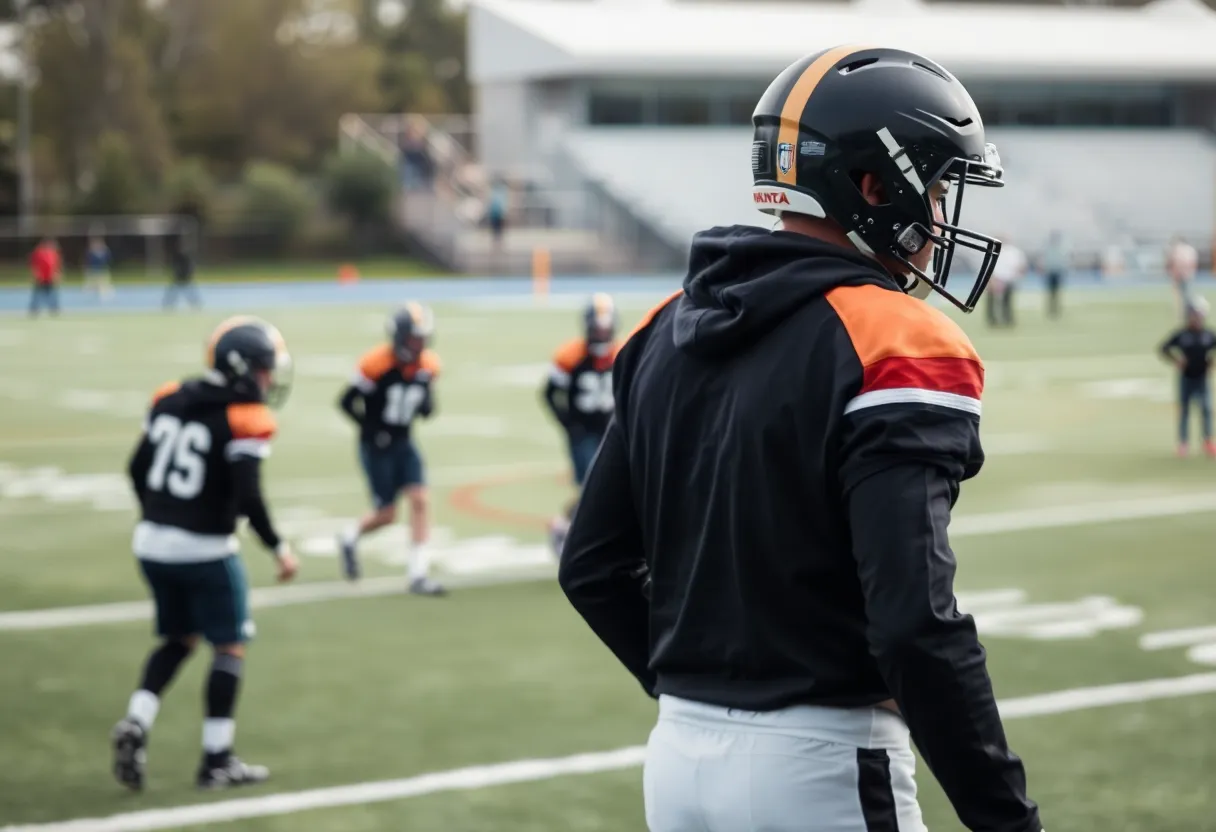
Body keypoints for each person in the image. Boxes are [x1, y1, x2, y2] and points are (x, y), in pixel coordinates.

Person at [558, 45, 1041, 832]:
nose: (946, 216)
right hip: (822, 762)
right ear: (875, 186)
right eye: (941, 186)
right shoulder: (891, 334)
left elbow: (591, 567)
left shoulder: (662, 325)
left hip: (677, 759)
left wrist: (708, 684)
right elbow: (914, 623)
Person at [112, 316, 299, 791]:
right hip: (204, 549)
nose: (268, 379)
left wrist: (160, 513)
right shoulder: (244, 418)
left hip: (151, 542)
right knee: (229, 646)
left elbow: (137, 468)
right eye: (262, 369)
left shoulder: (171, 396)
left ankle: (137, 719)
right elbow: (250, 498)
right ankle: (217, 759)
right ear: (240, 367)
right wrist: (278, 547)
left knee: (179, 639)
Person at [336, 302, 446, 596]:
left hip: (404, 441)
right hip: (376, 446)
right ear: (398, 336)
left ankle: (418, 574)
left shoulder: (428, 366)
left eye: (422, 338)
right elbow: (346, 402)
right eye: (413, 337)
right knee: (386, 514)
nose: (418, 344)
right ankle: (349, 537)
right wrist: (371, 430)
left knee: (421, 500)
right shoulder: (375, 363)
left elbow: (427, 406)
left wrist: (425, 402)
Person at [540, 293, 619, 558]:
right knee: (590, 488)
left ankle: (571, 530)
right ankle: (565, 529)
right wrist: (568, 424)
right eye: (597, 327)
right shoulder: (570, 355)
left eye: (605, 327)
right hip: (582, 432)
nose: (601, 332)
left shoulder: (620, 352)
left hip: (609, 431)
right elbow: (549, 393)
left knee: (609, 488)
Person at [1160, 296, 1216, 458]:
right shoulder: (1182, 335)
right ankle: (1183, 443)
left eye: (1198, 315)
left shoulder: (1208, 335)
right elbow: (1163, 348)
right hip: (1186, 378)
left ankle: (1208, 441)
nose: (1195, 318)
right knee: (1184, 411)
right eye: (1193, 315)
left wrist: (1212, 361)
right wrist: (1176, 360)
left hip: (1202, 378)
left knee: (1206, 409)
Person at [987, 235, 1027, 327]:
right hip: (997, 278)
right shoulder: (995, 250)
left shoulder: (1014, 252)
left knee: (1007, 301)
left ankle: (1007, 319)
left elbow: (1021, 266)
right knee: (992, 301)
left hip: (1008, 279)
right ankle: (993, 320)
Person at [28, 237, 62, 317]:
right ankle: (34, 309)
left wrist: (57, 274)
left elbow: (56, 266)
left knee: (53, 294)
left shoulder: (54, 254)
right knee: (37, 294)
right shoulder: (38, 253)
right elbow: (34, 264)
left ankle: (54, 308)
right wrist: (35, 274)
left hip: (50, 278)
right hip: (41, 277)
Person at [1039, 229, 1069, 319]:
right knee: (1050, 293)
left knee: (1056, 293)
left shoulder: (1062, 248)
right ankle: (1051, 310)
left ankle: (1056, 310)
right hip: (1050, 272)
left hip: (1057, 272)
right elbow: (1044, 260)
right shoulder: (1047, 248)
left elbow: (1064, 262)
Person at [1166, 235, 1199, 316]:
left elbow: (1175, 262)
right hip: (1185, 274)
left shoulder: (1179, 249)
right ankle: (1187, 310)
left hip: (1183, 274)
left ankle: (1189, 310)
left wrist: (1175, 273)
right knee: (1184, 294)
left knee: (1185, 294)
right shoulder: (1188, 249)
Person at [165, 239, 202, 310]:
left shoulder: (185, 257)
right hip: (179, 279)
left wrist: (188, 274)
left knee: (190, 293)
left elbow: (189, 267)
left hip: (184, 278)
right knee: (173, 293)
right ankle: (168, 304)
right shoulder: (176, 257)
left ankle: (195, 303)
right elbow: (175, 267)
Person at [84, 234, 114, 300]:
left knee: (104, 284)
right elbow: (88, 261)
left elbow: (107, 260)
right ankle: (89, 296)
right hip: (93, 270)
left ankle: (105, 295)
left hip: (102, 270)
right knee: (91, 285)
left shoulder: (104, 251)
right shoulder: (90, 252)